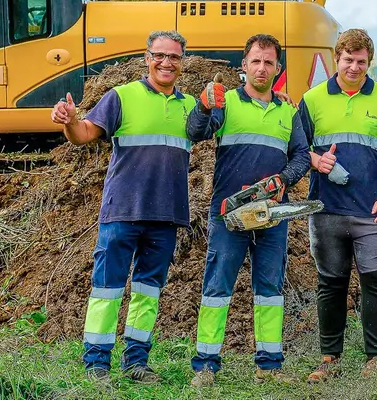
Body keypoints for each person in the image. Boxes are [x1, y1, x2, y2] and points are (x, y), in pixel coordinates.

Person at [50, 31, 196, 384]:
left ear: (182, 63)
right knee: (107, 288)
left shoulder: (192, 107)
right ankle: (97, 364)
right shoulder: (121, 97)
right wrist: (70, 121)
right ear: (147, 58)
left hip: (166, 215)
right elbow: (84, 134)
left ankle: (136, 363)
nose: (166, 63)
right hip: (122, 212)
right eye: (159, 55)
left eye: (174, 57)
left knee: (148, 292)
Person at [187, 34, 311, 387]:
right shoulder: (227, 104)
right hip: (229, 211)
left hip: (273, 212)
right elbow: (196, 133)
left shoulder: (288, 111)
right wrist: (204, 107)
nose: (261, 67)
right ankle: (206, 366)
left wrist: (283, 179)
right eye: (255, 61)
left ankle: (269, 366)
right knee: (217, 287)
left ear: (278, 69)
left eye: (268, 62)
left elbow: (302, 154)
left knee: (270, 288)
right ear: (243, 66)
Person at [298, 28, 377, 382]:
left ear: (369, 62)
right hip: (326, 209)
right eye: (348, 60)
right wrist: (317, 161)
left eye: (361, 62)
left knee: (376, 281)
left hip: (373, 212)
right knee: (331, 283)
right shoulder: (312, 99)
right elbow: (296, 148)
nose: (354, 67)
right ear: (336, 59)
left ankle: (376, 357)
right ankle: (329, 359)